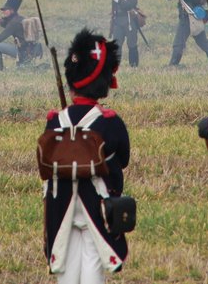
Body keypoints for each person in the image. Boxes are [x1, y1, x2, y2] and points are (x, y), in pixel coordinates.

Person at [42, 29, 130, 284]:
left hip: (60, 203)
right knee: (93, 262)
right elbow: (122, 159)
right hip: (97, 201)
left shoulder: (55, 121)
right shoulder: (110, 122)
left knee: (66, 267)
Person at [110, 0, 142, 68]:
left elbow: (130, 5)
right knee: (116, 44)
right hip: (118, 20)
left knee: (132, 44)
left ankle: (134, 66)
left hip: (129, 20)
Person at [0, 0, 26, 70]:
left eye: (6, 10)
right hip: (28, 50)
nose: (4, 12)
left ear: (12, 10)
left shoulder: (13, 23)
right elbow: (8, 26)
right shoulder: (19, 19)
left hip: (22, 52)